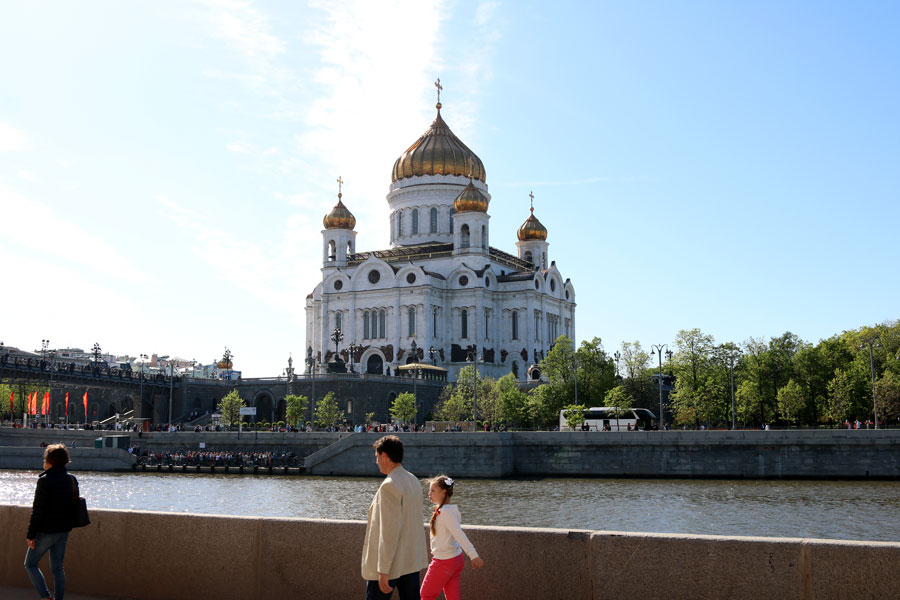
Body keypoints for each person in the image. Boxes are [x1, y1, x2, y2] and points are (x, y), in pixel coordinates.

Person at [361, 435, 428, 599]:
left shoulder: (389, 485)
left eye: (377, 457)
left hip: (391, 565)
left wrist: (383, 570)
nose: (376, 461)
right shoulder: (413, 480)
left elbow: (389, 531)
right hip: (410, 561)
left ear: (384, 456)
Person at [25, 443, 77, 600]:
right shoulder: (71, 479)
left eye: (45, 458)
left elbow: (37, 510)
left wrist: (30, 534)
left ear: (50, 461)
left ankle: (46, 597)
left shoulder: (44, 480)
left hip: (46, 530)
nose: (44, 461)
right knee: (57, 568)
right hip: (63, 530)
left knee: (30, 564)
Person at [420, 475, 484, 600]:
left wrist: (474, 555)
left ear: (443, 493)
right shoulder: (448, 510)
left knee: (426, 594)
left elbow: (459, 534)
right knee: (452, 596)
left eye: (433, 490)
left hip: (444, 560)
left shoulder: (445, 513)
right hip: (455, 559)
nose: (429, 494)